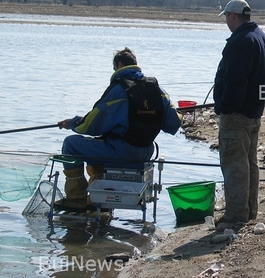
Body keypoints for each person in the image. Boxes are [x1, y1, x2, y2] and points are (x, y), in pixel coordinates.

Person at [55, 47, 182, 211]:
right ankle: (96, 197)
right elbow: (173, 124)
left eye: (114, 67)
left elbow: (90, 125)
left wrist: (72, 123)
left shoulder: (119, 89)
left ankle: (76, 198)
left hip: (122, 153)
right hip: (145, 152)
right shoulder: (157, 90)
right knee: (101, 144)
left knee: (71, 144)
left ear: (119, 65)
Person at [213, 0, 265, 230]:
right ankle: (248, 211)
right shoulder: (263, 38)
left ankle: (236, 215)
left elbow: (236, 80)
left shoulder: (241, 41)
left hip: (237, 114)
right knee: (249, 162)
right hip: (254, 111)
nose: (227, 22)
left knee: (235, 164)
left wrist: (226, 106)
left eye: (227, 17)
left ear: (233, 16)